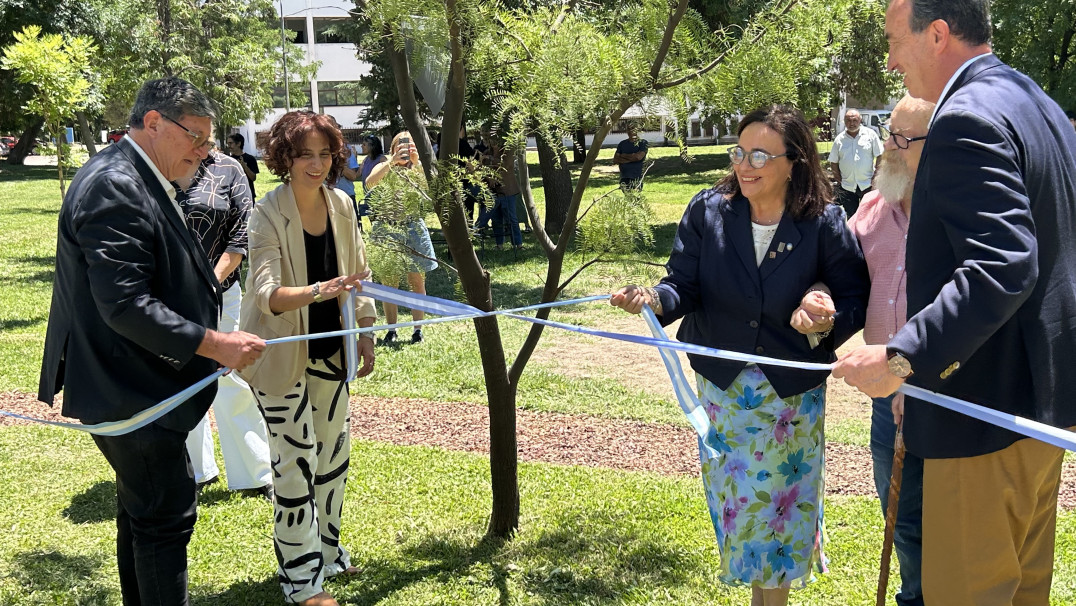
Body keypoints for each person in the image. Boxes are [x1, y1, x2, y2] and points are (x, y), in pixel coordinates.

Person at [832, 1, 1076, 604]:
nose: (890, 61)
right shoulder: (1039, 104)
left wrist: (899, 358)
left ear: (938, 33)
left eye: (895, 41)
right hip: (1040, 411)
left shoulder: (963, 117)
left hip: (981, 420)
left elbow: (1003, 265)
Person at [610, 105, 868, 606]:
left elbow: (854, 297)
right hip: (724, 395)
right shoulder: (708, 211)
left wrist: (825, 315)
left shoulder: (823, 221)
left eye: (759, 155)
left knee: (779, 517)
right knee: (742, 512)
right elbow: (681, 284)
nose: (744, 165)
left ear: (793, 161)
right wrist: (654, 300)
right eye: (738, 151)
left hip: (789, 404)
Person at [37, 76, 266, 605]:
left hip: (139, 384)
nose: (205, 153)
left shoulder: (138, 175)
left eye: (212, 140)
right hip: (130, 388)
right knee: (164, 518)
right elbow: (124, 305)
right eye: (197, 137)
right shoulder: (115, 184)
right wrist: (216, 343)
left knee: (144, 514)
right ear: (154, 123)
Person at [238, 110, 377, 606]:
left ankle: (329, 553)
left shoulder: (341, 202)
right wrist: (322, 290)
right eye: (304, 155)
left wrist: (364, 331)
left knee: (333, 458)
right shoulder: (265, 213)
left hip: (332, 350)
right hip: (278, 357)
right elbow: (267, 296)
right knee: (294, 464)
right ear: (284, 158)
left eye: (325, 154)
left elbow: (359, 273)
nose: (316, 165)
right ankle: (301, 582)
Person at [847, 94, 934, 606]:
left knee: (946, 514)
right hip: (887, 391)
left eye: (906, 139)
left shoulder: (957, 213)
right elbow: (845, 277)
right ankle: (915, 596)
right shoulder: (872, 206)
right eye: (891, 136)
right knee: (899, 515)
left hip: (947, 392)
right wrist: (821, 296)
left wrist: (917, 379)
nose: (892, 150)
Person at [177, 148, 273, 500]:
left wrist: (209, 284)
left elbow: (241, 234)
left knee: (229, 376)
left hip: (222, 291)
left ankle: (254, 472)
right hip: (169, 295)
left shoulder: (229, 169)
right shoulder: (161, 165)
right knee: (181, 376)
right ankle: (194, 470)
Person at [364, 130, 439, 345]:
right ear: (393, 147)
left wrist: (415, 164)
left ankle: (417, 330)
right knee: (390, 284)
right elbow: (370, 182)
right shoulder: (384, 164)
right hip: (388, 229)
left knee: (417, 281)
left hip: (413, 228)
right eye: (401, 144)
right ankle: (391, 329)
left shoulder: (417, 168)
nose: (405, 148)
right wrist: (392, 162)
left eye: (409, 144)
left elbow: (428, 191)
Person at [828, 109, 883, 218]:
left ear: (860, 120)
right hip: (847, 186)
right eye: (848, 120)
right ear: (844, 121)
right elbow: (833, 161)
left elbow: (880, 155)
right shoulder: (839, 140)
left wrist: (876, 175)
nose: (852, 123)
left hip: (867, 184)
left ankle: (867, 235)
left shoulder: (870, 135)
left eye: (855, 120)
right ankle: (853, 235)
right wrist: (838, 178)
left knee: (868, 216)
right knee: (852, 217)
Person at [357, 133, 387, 224]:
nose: (361, 146)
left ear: (372, 146)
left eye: (364, 144)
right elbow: (357, 174)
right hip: (368, 197)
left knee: (382, 223)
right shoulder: (365, 160)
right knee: (373, 223)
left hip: (381, 199)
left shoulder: (382, 159)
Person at [612, 123, 649, 190]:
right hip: (624, 176)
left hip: (636, 176)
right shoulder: (622, 144)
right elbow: (616, 160)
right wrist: (632, 156)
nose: (630, 131)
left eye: (633, 129)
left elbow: (638, 157)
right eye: (628, 129)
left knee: (635, 196)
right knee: (626, 195)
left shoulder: (643, 143)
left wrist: (623, 155)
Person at [225, 133, 259, 198]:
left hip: (248, 195)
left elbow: (253, 178)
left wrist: (244, 166)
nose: (228, 146)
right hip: (232, 196)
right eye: (228, 143)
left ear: (238, 144)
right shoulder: (228, 160)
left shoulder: (250, 159)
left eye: (230, 143)